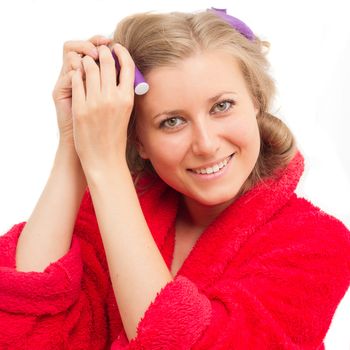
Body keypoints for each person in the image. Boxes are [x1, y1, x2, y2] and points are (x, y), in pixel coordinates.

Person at [0, 7, 349, 350]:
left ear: (255, 102)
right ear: (138, 139)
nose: (207, 144)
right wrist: (74, 142)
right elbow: (23, 323)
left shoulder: (319, 243)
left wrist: (107, 167)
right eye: (172, 122)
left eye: (222, 106)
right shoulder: (109, 211)